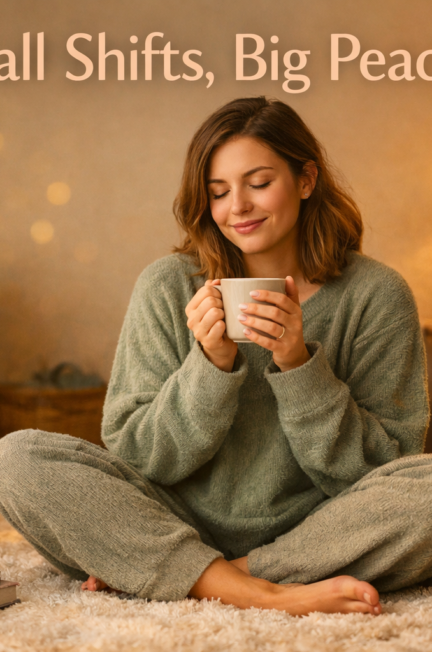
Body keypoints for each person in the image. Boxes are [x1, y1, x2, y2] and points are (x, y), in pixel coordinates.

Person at [0, 96, 430, 617]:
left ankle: (217, 574)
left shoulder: (377, 294)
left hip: (319, 526)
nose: (237, 208)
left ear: (307, 179)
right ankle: (257, 589)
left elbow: (384, 468)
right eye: (218, 192)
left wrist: (299, 366)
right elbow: (137, 456)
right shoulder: (165, 286)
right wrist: (209, 366)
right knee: (14, 458)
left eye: (259, 183)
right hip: (174, 517)